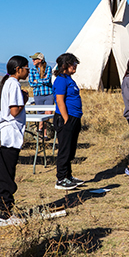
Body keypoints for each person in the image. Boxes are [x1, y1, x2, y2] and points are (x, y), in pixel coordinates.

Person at [0, 55, 30, 226]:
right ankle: (6, 213)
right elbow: (14, 110)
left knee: (2, 174)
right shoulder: (14, 84)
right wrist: (24, 99)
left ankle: (4, 210)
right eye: (26, 67)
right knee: (7, 175)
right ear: (18, 69)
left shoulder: (5, 83)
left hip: (1, 132)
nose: (28, 71)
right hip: (9, 133)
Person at [53, 53, 84, 190]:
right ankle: (61, 179)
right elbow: (60, 100)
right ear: (66, 65)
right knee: (65, 149)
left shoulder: (68, 79)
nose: (75, 66)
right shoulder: (61, 80)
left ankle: (68, 176)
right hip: (66, 118)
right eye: (73, 63)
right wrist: (66, 118)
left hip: (74, 117)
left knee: (70, 149)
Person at [28, 52, 53, 139]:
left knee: (48, 113)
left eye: (35, 59)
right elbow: (31, 83)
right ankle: (41, 131)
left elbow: (47, 80)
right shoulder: (32, 70)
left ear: (40, 60)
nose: (33, 60)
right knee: (40, 113)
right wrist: (41, 80)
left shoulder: (48, 68)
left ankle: (43, 131)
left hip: (48, 93)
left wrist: (37, 81)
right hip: (38, 94)